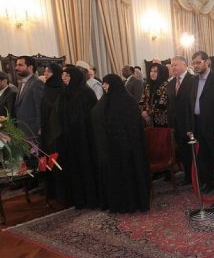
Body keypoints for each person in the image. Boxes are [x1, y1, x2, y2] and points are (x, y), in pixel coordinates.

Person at [91, 74, 150, 213]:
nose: (104, 86)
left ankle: (131, 203)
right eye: (103, 83)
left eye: (106, 83)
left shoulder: (128, 101)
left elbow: (133, 127)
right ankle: (118, 203)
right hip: (111, 147)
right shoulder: (106, 101)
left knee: (128, 175)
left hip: (127, 148)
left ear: (114, 84)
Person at [188, 51, 214, 194]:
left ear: (207, 62)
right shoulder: (193, 81)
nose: (195, 65)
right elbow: (191, 104)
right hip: (198, 125)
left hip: (213, 126)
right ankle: (209, 182)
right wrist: (191, 127)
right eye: (193, 63)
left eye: (198, 62)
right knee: (203, 158)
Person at [57, 66, 99, 208]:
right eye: (63, 74)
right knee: (74, 167)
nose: (64, 77)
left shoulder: (87, 93)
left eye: (67, 75)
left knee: (87, 166)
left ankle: (91, 198)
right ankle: (78, 198)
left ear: (74, 77)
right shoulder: (64, 93)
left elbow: (92, 116)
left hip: (85, 138)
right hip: (70, 138)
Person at [166, 56, 195, 185]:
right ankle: (188, 176)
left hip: (190, 124)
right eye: (172, 65)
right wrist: (171, 126)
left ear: (185, 65)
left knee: (193, 153)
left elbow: (194, 105)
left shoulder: (193, 80)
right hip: (176, 125)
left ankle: (197, 176)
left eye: (175, 65)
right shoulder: (171, 83)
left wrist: (191, 125)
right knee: (183, 153)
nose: (173, 67)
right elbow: (170, 106)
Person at [39, 63, 65, 200]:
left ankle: (62, 191)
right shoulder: (45, 88)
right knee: (47, 158)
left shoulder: (63, 89)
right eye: (45, 71)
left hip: (59, 132)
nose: (46, 73)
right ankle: (52, 190)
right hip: (46, 131)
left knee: (58, 159)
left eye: (49, 71)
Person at [14, 56, 44, 138]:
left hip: (33, 128)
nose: (16, 68)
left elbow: (40, 107)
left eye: (20, 65)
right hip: (22, 127)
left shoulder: (36, 83)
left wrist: (40, 127)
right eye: (17, 65)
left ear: (30, 67)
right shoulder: (21, 83)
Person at [140, 63, 170, 127]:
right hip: (147, 120)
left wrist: (148, 113)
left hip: (162, 121)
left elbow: (162, 103)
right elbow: (142, 101)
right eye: (151, 71)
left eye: (155, 71)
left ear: (161, 73)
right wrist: (143, 112)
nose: (152, 73)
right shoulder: (148, 86)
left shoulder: (166, 86)